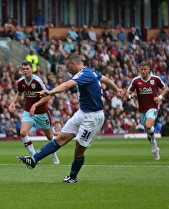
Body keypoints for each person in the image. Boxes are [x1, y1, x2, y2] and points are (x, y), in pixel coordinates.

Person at [16, 53, 125, 183]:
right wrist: (117, 90)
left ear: (74, 64)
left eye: (68, 67)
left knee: (79, 148)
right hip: (82, 112)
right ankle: (34, 160)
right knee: (60, 138)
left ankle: (73, 177)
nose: (67, 70)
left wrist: (50, 92)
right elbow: (106, 79)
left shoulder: (84, 74)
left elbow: (67, 85)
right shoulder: (92, 72)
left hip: (93, 117)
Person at [9, 60, 60, 165]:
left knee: (50, 136)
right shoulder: (21, 82)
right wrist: (13, 102)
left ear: (32, 69)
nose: (25, 71)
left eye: (27, 69)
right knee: (23, 133)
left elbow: (48, 96)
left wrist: (35, 105)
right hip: (28, 111)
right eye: (23, 69)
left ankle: (53, 155)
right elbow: (19, 94)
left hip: (42, 112)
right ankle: (35, 157)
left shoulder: (38, 81)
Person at [127, 61, 167, 160]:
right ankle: (156, 149)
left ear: (149, 69)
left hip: (152, 106)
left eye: (145, 69)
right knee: (148, 130)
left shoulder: (155, 79)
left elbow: (164, 88)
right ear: (139, 70)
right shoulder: (136, 80)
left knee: (149, 126)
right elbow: (128, 93)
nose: (143, 71)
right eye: (142, 69)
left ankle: (154, 149)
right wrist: (131, 96)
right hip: (142, 109)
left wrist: (160, 97)